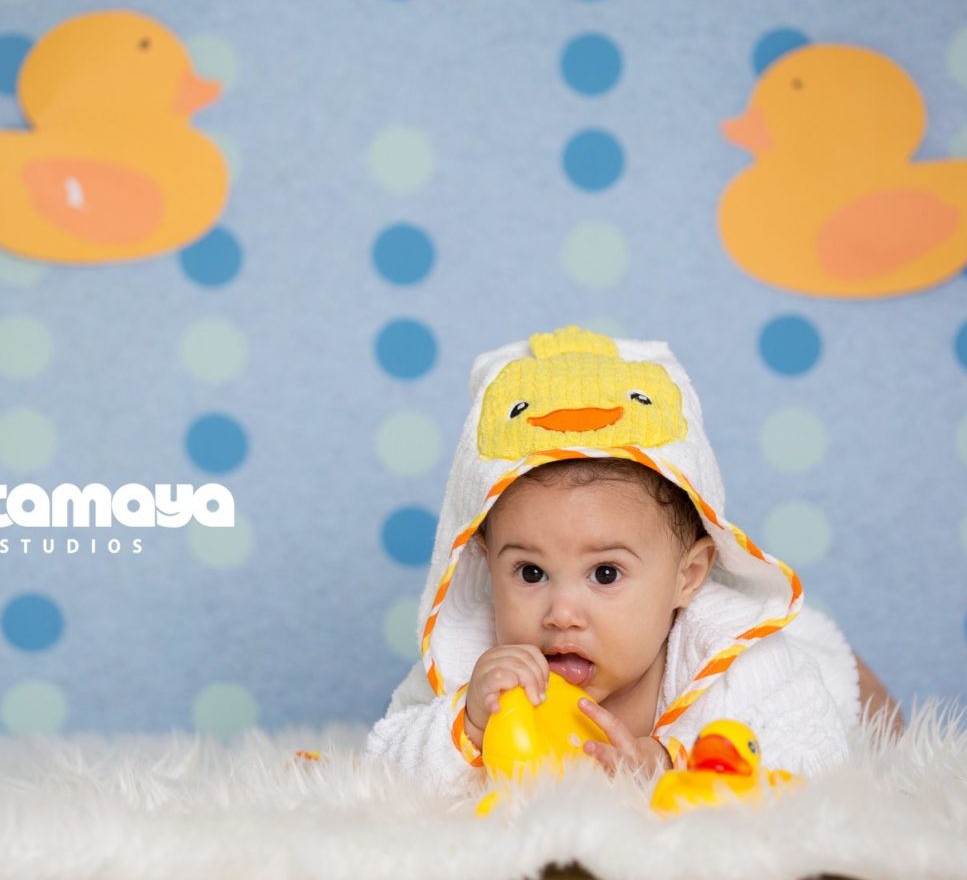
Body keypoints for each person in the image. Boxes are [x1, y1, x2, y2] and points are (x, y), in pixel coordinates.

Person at [366, 326, 903, 791]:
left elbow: (808, 749)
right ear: (486, 562)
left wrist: (672, 763)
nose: (561, 613)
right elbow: (385, 764)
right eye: (531, 572)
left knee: (884, 732)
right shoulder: (477, 661)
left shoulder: (733, 657)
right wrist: (467, 725)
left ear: (688, 576)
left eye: (605, 574)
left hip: (820, 665)